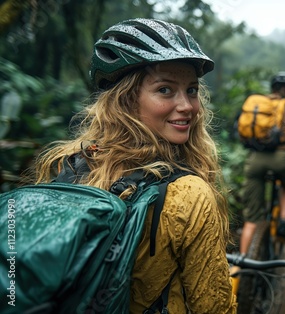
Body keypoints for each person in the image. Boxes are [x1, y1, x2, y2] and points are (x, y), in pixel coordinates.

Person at [31, 18, 237, 313]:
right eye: (165, 90)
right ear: (126, 100)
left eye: (191, 90)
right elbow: (215, 308)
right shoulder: (189, 194)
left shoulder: (69, 163)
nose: (188, 106)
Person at [239, 71, 285, 254]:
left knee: (251, 219)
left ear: (272, 88)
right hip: (281, 159)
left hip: (255, 159)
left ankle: (240, 266)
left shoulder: (260, 105)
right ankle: (284, 222)